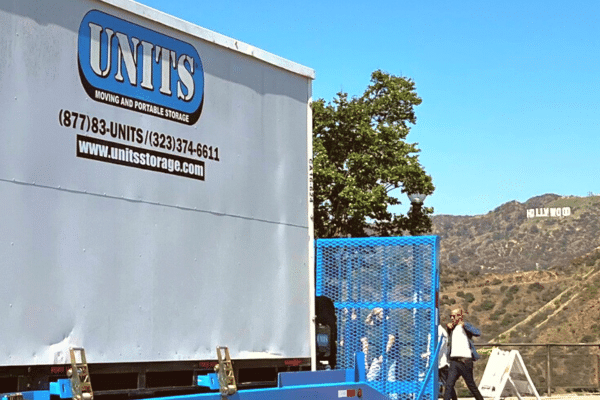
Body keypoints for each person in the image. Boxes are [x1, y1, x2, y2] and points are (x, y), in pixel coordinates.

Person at [443, 307, 483, 400]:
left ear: (460, 316)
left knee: (471, 385)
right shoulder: (453, 328)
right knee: (449, 384)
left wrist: (465, 325)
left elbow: (477, 332)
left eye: (454, 316)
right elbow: (450, 339)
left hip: (465, 361)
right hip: (454, 361)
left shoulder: (465, 326)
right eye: (451, 316)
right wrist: (449, 328)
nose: (452, 318)